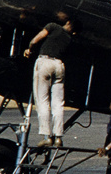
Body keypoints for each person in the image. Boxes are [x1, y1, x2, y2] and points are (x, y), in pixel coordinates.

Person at [23, 12, 74, 147]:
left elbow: (35, 40)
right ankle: (58, 137)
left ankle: (47, 136)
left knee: (43, 101)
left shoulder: (53, 26)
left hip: (45, 62)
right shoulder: (69, 39)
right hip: (59, 65)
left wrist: (29, 49)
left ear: (68, 22)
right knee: (58, 103)